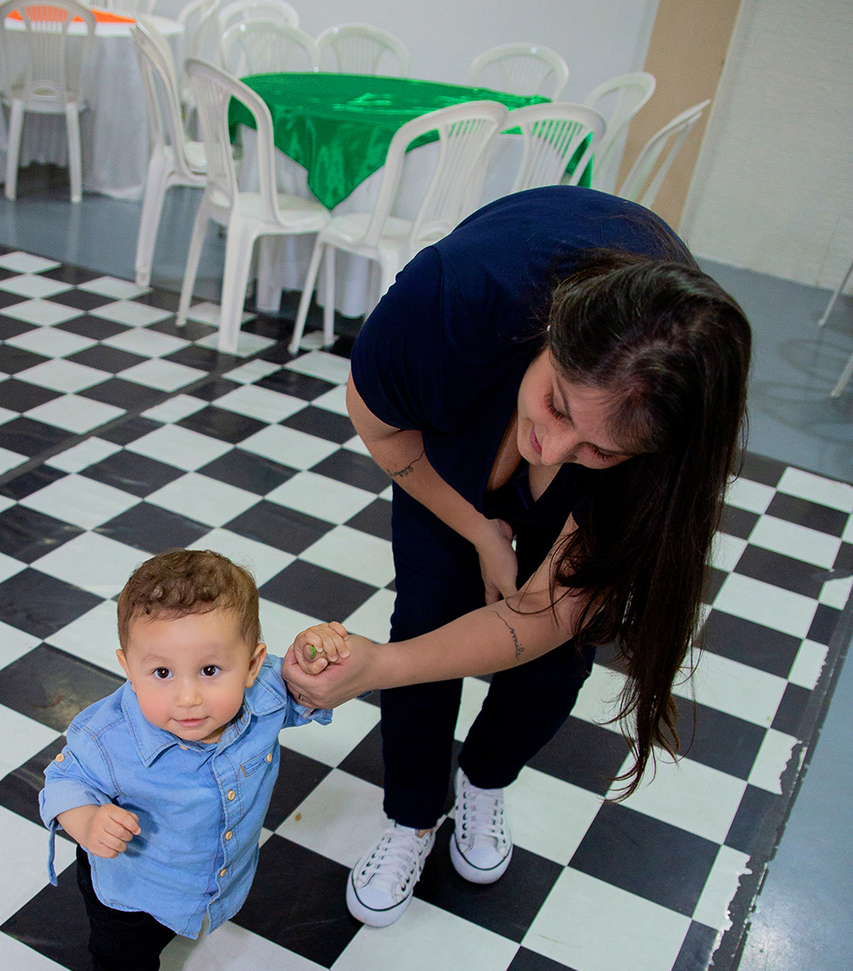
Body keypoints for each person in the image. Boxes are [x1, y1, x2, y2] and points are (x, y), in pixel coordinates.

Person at [285, 185, 752, 928]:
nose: (557, 449)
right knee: (428, 615)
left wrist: (386, 665)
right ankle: (410, 818)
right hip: (450, 450)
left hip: (594, 460)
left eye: (601, 449)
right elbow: (382, 431)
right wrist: (478, 531)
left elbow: (549, 612)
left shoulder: (667, 442)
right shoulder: (449, 303)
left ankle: (485, 779)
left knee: (554, 662)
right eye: (557, 405)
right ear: (553, 336)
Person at [39, 548, 342, 971]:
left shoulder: (266, 693)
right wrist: (84, 820)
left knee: (170, 931)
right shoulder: (105, 737)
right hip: (128, 888)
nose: (187, 697)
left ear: (252, 665)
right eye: (160, 673)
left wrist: (316, 661)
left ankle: (188, 917)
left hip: (212, 873)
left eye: (210, 670)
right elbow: (60, 784)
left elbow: (307, 693)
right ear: (127, 666)